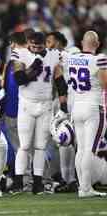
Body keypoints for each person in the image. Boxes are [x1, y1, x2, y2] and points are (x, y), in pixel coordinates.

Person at [10, 32, 68, 195]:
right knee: (25, 145)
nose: (36, 49)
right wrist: (35, 67)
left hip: (45, 105)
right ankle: (18, 182)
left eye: (39, 47)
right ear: (28, 42)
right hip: (27, 104)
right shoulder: (20, 53)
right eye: (33, 46)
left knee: (41, 147)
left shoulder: (54, 55)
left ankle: (38, 183)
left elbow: (60, 82)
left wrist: (63, 105)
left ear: (45, 45)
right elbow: (20, 79)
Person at [66, 31, 107, 198]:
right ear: (97, 44)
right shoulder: (99, 59)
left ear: (82, 42)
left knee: (81, 150)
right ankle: (85, 188)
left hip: (77, 106)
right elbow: (105, 84)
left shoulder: (71, 57)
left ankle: (82, 187)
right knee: (89, 150)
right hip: (93, 107)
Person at [46, 31, 77, 192]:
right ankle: (70, 178)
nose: (47, 44)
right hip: (73, 100)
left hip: (63, 101)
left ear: (58, 42)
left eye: (49, 41)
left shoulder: (56, 55)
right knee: (70, 142)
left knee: (64, 141)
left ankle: (68, 179)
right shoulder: (73, 54)